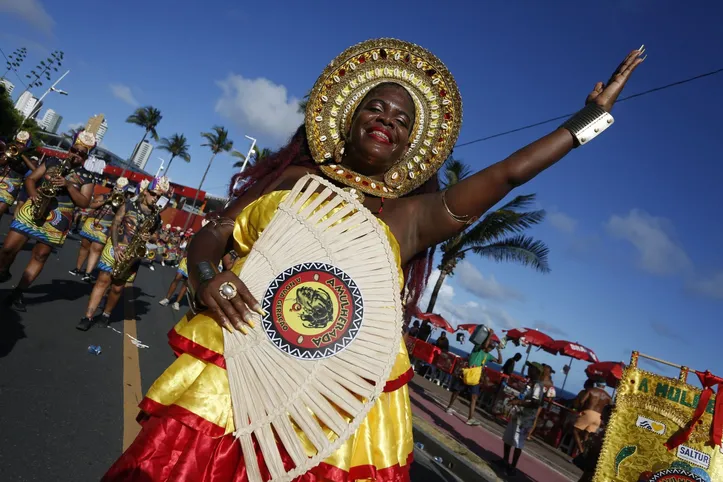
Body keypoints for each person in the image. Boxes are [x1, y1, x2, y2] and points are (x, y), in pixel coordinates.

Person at [102, 39, 644, 481]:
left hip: (333, 401)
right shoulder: (293, 179)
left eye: (403, 119)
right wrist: (206, 278)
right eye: (377, 107)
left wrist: (589, 120)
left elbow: (508, 173)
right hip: (238, 363)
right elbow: (214, 235)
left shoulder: (411, 217)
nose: (388, 120)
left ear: (412, 143)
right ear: (351, 115)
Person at [0, 131, 97, 311]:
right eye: (74, 150)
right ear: (70, 148)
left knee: (40, 255)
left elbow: (85, 202)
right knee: (7, 248)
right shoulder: (52, 161)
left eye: (81, 153)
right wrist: (34, 195)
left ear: (86, 156)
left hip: (59, 216)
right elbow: (31, 179)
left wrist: (68, 185)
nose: (76, 154)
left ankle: (18, 293)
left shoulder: (87, 176)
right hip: (34, 206)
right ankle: (4, 270)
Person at [77, 176, 170, 330]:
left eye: (159, 196)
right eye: (153, 194)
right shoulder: (128, 204)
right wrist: (116, 246)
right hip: (115, 247)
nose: (156, 198)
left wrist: (150, 237)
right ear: (146, 191)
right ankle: (88, 316)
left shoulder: (156, 216)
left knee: (117, 288)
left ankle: (106, 314)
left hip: (133, 255)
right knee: (102, 282)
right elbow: (115, 224)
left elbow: (156, 237)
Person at [70, 177, 129, 282]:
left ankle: (88, 273)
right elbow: (91, 205)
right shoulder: (104, 196)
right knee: (84, 246)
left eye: (121, 190)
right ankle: (77, 268)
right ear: (113, 188)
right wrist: (107, 200)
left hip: (106, 228)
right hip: (93, 223)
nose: (117, 191)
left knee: (96, 249)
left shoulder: (124, 204)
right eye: (116, 188)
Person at [497, 362, 545, 477]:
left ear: (537, 372)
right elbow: (524, 396)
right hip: (517, 414)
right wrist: (516, 398)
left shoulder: (538, 386)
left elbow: (535, 402)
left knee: (518, 443)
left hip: (525, 418)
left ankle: (513, 467)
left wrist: (519, 402)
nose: (528, 370)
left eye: (531, 368)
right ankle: (504, 460)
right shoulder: (530, 383)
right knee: (508, 438)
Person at [445, 330, 502, 425]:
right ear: (486, 344)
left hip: (475, 377)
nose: (490, 349)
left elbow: (499, 361)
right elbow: (484, 346)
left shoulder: (488, 356)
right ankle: (449, 406)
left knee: (474, 397)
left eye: (492, 348)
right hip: (467, 373)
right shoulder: (478, 348)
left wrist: (498, 350)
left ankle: (470, 418)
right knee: (456, 391)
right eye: (490, 347)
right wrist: (490, 335)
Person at [0, 131, 38, 221]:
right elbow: (1, 162)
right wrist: (7, 155)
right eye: (17, 143)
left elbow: (35, 170)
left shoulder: (31, 157)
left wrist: (23, 156)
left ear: (27, 145)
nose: (19, 146)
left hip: (12, 188)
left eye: (22, 144)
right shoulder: (11, 151)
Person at [574, 404, 614, 482]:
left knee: (575, 431)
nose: (601, 417)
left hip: (596, 460)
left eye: (603, 415)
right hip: (597, 461)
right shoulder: (607, 429)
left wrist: (590, 443)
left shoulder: (607, 431)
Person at [573, 378, 612, 453]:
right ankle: (584, 454)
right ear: (604, 386)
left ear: (596, 384)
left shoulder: (591, 390)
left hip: (589, 413)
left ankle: (581, 451)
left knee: (575, 431)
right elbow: (610, 408)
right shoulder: (608, 396)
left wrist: (581, 410)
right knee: (587, 435)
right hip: (598, 417)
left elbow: (581, 401)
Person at [527, 363, 556, 440]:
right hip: (539, 400)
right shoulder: (549, 382)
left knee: (532, 416)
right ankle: (528, 434)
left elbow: (551, 396)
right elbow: (551, 397)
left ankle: (528, 433)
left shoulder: (540, 378)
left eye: (544, 369)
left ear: (546, 371)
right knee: (533, 417)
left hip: (536, 399)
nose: (543, 370)